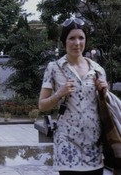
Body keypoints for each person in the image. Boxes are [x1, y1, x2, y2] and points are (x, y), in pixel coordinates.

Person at [38, 18, 108, 174]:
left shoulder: (97, 70)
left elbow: (104, 107)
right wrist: (59, 93)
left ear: (86, 40)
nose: (77, 43)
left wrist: (104, 93)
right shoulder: (54, 68)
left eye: (81, 38)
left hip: (94, 147)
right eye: (72, 38)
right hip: (67, 146)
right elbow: (42, 105)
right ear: (64, 42)